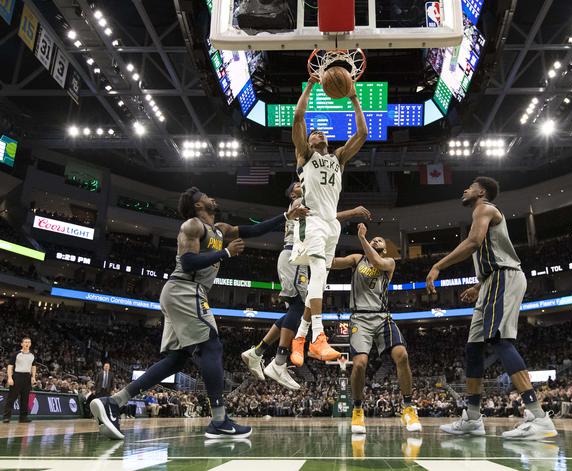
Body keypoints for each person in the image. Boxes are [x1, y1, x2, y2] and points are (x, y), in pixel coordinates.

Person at [90, 187, 308, 440]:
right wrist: (225, 253)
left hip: (185, 293)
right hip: (186, 289)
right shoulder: (193, 226)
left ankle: (114, 402)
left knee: (177, 360)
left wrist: (286, 216)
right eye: (205, 196)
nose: (211, 197)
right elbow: (188, 262)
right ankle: (219, 421)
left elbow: (253, 230)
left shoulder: (220, 229)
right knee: (212, 346)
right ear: (197, 205)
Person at [426, 177, 557, 440]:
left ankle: (539, 416)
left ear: (482, 192)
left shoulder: (484, 209)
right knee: (473, 347)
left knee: (499, 341)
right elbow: (487, 252)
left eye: (470, 186)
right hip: (490, 282)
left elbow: (474, 242)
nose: (465, 189)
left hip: (503, 277)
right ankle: (473, 418)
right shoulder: (479, 214)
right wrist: (478, 285)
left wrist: (438, 265)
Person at [241, 181, 371, 390]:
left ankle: (257, 352)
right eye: (299, 185)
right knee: (301, 307)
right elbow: (330, 217)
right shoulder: (300, 202)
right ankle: (279, 361)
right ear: (293, 193)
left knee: (296, 310)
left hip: (297, 258)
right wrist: (353, 212)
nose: (304, 185)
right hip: (293, 255)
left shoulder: (303, 202)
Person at [288, 75, 368, 365]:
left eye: (321, 132)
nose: (317, 133)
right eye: (313, 132)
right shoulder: (305, 155)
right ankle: (318, 338)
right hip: (312, 222)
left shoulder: (339, 158)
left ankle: (300, 337)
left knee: (319, 284)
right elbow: (298, 118)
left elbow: (362, 133)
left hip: (331, 224)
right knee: (319, 274)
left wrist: (354, 98)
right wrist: (308, 85)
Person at [331, 223, 421, 433]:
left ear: (386, 248)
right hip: (360, 318)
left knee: (402, 355)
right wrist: (320, 251)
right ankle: (358, 410)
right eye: (373, 239)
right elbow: (334, 263)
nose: (376, 240)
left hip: (382, 316)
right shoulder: (356, 259)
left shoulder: (388, 262)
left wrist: (363, 239)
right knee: (360, 363)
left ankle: (408, 408)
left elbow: (377, 261)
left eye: (379, 240)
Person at [2, 337, 37, 423]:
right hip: (17, 376)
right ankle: (6, 417)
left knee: (25, 399)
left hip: (27, 377)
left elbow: (33, 366)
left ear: (30, 344)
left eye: (29, 342)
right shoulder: (16, 354)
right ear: (22, 344)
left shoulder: (32, 355)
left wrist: (33, 377)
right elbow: (10, 366)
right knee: (11, 398)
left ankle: (23, 417)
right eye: (25, 342)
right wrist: (10, 377)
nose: (27, 344)